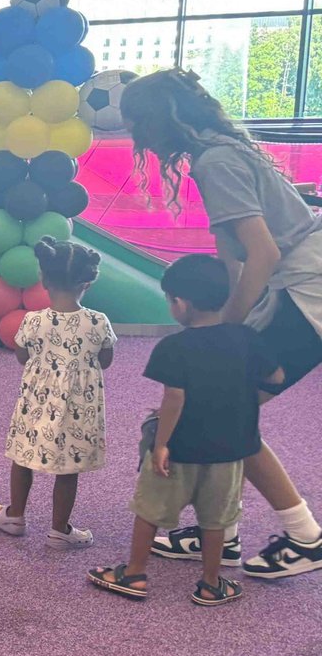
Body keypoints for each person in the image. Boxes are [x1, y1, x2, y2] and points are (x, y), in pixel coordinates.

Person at [123, 68, 322, 579]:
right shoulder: (221, 148)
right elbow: (235, 259)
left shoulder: (215, 162)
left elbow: (263, 252)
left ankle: (305, 537)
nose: (136, 137)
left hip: (307, 286)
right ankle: (221, 535)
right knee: (217, 411)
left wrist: (224, 336)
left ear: (159, 120)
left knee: (222, 410)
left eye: (136, 124)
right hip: (295, 281)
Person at [88, 255, 284, 606]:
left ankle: (134, 573)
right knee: (217, 518)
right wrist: (244, 403)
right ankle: (211, 583)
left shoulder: (173, 347)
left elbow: (174, 399)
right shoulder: (246, 338)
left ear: (181, 303)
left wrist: (161, 444)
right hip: (231, 449)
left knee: (150, 508)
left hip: (181, 448)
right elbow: (276, 378)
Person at [0, 239, 116, 550]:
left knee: (22, 456)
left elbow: (22, 356)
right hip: (79, 406)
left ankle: (15, 516)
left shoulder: (32, 320)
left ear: (43, 279)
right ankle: (60, 530)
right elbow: (105, 360)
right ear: (86, 283)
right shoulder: (97, 321)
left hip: (37, 401)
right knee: (68, 467)